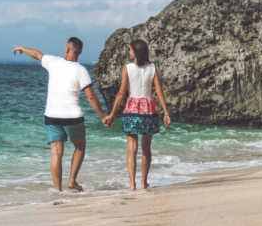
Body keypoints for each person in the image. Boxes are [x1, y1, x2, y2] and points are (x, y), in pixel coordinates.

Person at [13, 37, 110, 192]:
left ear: (66, 49)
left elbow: (37, 54)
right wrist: (103, 116)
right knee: (80, 146)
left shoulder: (54, 62)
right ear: (80, 52)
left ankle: (58, 191)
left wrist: (21, 48)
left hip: (52, 116)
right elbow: (91, 96)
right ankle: (72, 181)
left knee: (56, 154)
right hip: (72, 117)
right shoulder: (81, 70)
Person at [103, 39, 171, 191]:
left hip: (132, 107)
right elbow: (159, 91)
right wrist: (166, 112)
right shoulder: (153, 67)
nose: (129, 51)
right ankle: (144, 183)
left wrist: (112, 114)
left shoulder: (127, 68)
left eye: (130, 49)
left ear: (135, 51)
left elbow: (121, 93)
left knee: (131, 148)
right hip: (148, 108)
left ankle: (132, 184)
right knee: (146, 149)